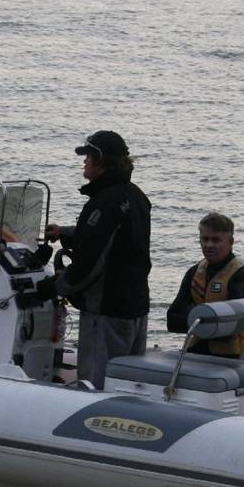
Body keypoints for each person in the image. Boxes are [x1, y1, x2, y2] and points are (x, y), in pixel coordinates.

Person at [41, 130, 152, 389]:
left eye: (87, 157)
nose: (84, 163)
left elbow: (91, 264)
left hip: (107, 311)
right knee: (126, 383)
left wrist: (56, 285)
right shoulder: (135, 196)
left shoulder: (104, 203)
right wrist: (65, 234)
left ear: (101, 161)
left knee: (96, 384)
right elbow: (113, 240)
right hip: (136, 306)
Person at [166, 212, 244, 361]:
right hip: (197, 351)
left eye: (216, 240)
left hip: (235, 356)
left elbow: (230, 328)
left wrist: (194, 315)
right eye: (205, 239)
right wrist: (210, 320)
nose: (209, 245)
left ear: (230, 242)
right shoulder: (195, 272)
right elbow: (172, 320)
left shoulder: (243, 274)